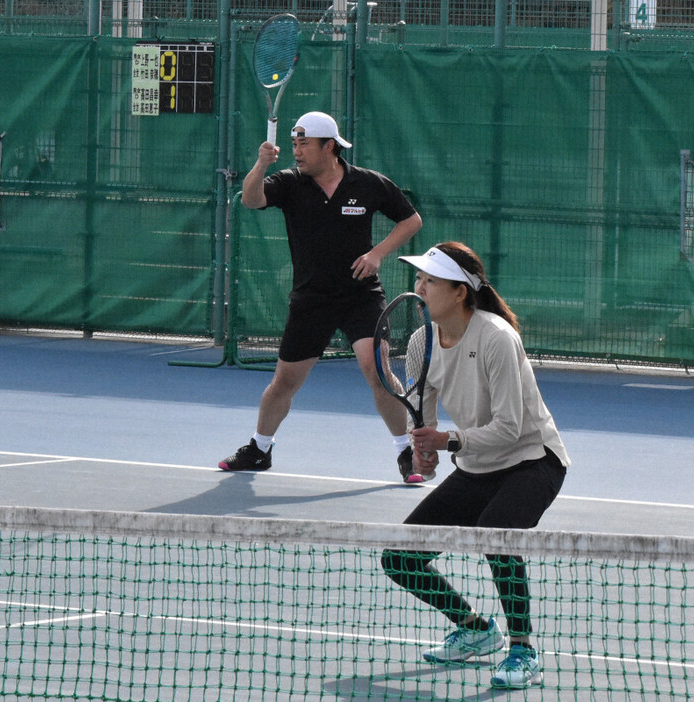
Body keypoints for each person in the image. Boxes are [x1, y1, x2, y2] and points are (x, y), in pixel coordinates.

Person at [380, 241, 570, 689]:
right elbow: (424, 426)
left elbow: (509, 427)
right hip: (478, 464)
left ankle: (522, 649)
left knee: (496, 534)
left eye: (429, 279)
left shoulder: (497, 338)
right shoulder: (421, 342)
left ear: (460, 291)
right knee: (400, 558)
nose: (418, 286)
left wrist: (449, 440)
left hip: (533, 460)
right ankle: (475, 630)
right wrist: (424, 455)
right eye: (419, 278)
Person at [218, 112, 424, 482]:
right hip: (311, 300)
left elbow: (411, 220)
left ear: (329, 146)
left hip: (361, 296)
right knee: (284, 383)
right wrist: (261, 164)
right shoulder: (288, 183)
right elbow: (251, 200)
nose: (297, 152)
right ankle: (260, 449)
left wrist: (377, 254)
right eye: (294, 144)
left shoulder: (368, 183)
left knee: (377, 371)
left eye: (304, 145)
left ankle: (406, 452)